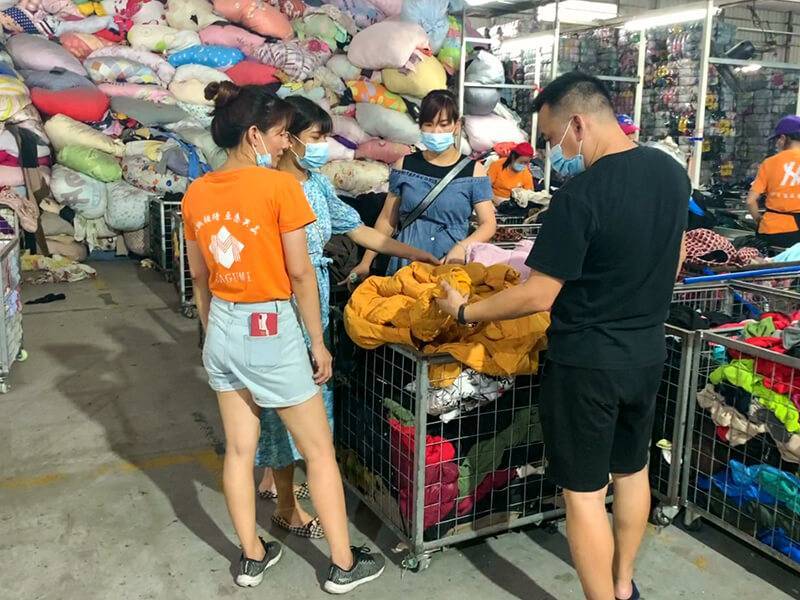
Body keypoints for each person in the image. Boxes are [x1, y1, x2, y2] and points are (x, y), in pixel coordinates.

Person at [437, 72, 688, 600]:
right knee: (632, 470)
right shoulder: (671, 172)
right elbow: (678, 255)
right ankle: (622, 586)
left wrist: (465, 312)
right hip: (646, 353)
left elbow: (537, 295)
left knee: (584, 495)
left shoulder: (582, 195)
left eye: (552, 138)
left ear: (577, 122)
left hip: (587, 363)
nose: (555, 150)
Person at [182, 81, 384, 594]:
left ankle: (251, 556)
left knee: (238, 452)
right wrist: (317, 342)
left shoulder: (197, 192)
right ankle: (342, 564)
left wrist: (212, 336)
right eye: (277, 135)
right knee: (318, 451)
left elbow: (200, 279)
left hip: (223, 325)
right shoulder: (280, 189)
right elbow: (299, 276)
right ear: (252, 135)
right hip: (271, 325)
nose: (284, 144)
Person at [255, 96, 439, 536]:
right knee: (281, 406)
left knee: (316, 401)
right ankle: (284, 504)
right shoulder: (264, 188)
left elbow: (356, 228)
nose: (323, 146)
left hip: (314, 302)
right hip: (282, 305)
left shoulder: (317, 184)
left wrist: (414, 253)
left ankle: (296, 485)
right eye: (316, 137)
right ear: (287, 138)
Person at [349, 89, 496, 278]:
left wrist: (461, 248)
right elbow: (387, 220)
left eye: (443, 125)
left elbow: (488, 223)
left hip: (450, 264)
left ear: (456, 125)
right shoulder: (405, 165)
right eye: (429, 124)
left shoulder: (474, 171)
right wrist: (366, 262)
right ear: (420, 126)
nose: (436, 132)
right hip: (406, 264)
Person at [747, 115, 800, 248]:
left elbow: (750, 201)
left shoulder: (770, 163)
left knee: (773, 266)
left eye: (777, 139)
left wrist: (759, 219)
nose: (777, 143)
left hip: (774, 230)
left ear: (783, 138)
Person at [486, 141, 535, 208]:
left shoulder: (526, 173)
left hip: (514, 205)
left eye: (526, 163)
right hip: (494, 201)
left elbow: (529, 194)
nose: (523, 165)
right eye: (521, 162)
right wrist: (495, 199)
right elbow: (485, 187)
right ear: (513, 157)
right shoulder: (496, 165)